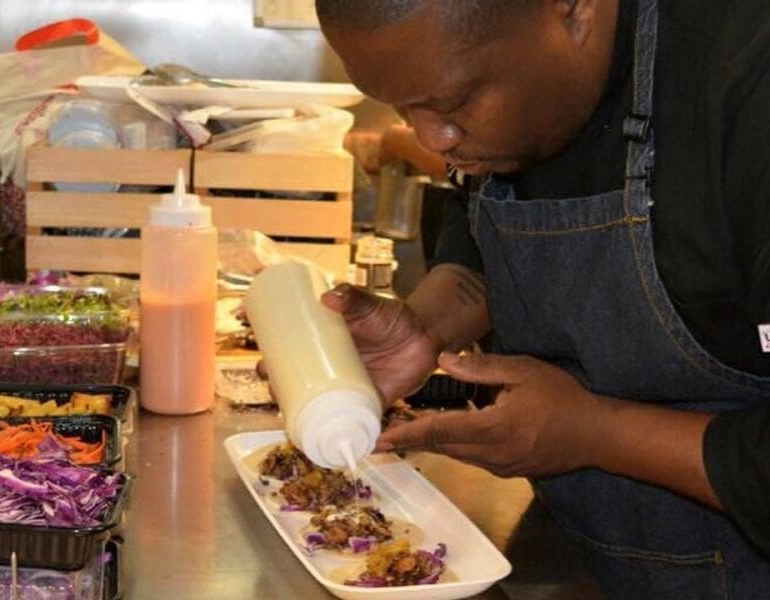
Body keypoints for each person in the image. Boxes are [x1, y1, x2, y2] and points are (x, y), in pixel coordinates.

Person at [312, 1, 770, 598]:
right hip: (579, 556)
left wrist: (594, 432)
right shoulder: (507, 94)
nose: (431, 140)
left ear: (575, 10)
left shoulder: (746, 83)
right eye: (402, 107)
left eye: (455, 103)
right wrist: (427, 327)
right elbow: (487, 233)